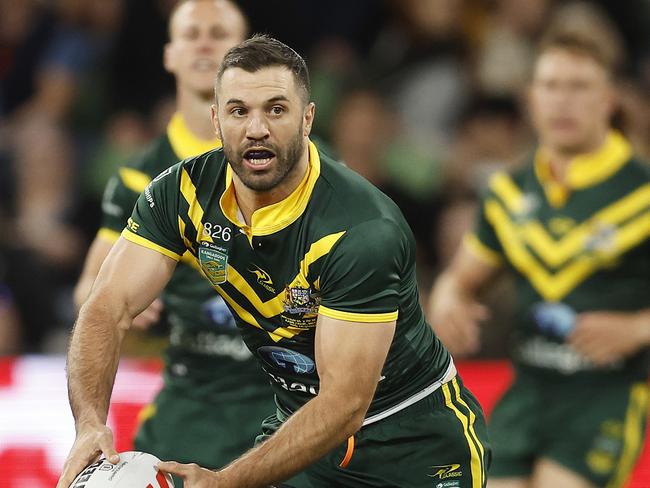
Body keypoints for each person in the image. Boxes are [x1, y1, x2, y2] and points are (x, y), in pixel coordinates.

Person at [57, 35, 490, 488]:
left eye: (276, 110)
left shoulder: (360, 229)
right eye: (239, 110)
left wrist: (224, 482)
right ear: (216, 120)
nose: (256, 128)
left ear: (307, 120)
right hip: (300, 434)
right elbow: (106, 306)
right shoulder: (180, 193)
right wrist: (89, 422)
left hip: (413, 444)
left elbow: (345, 403)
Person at [428, 30, 650, 488]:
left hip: (605, 394)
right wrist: (449, 298)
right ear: (530, 98)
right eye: (550, 86)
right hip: (527, 391)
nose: (562, 101)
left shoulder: (642, 191)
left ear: (609, 98)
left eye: (579, 86)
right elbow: (461, 278)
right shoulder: (509, 192)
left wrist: (637, 328)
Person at [71, 1, 274, 485]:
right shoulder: (140, 178)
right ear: (169, 55)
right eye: (192, 33)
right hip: (190, 410)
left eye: (219, 32)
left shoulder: (303, 167)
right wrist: (126, 304)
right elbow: (90, 296)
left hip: (287, 405)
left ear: (249, 56)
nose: (205, 42)